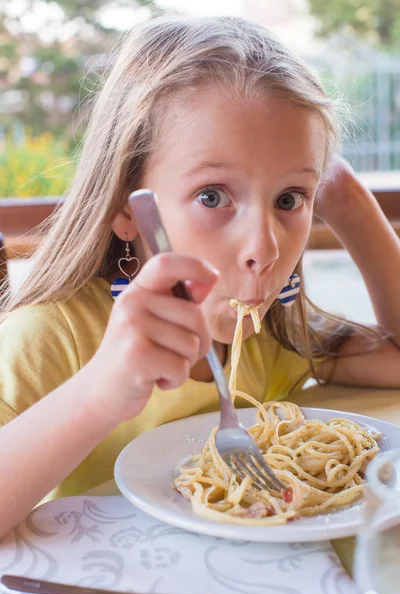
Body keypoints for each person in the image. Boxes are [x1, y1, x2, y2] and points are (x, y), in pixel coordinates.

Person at [1, 15, 399, 538]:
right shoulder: (51, 337)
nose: (264, 247)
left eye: (289, 199)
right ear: (127, 207)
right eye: (212, 196)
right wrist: (101, 391)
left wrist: (351, 205)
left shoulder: (273, 338)